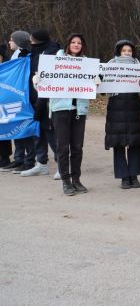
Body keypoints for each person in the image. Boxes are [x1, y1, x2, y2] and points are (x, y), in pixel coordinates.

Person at [50, 34, 93, 195]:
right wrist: (37, 79)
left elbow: (93, 83)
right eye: (73, 42)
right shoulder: (55, 61)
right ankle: (65, 181)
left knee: (77, 146)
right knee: (63, 147)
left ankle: (76, 179)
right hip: (60, 109)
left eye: (79, 43)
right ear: (68, 44)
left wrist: (96, 80)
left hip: (79, 110)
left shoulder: (87, 63)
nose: (76, 45)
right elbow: (45, 81)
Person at [104, 40, 140, 189]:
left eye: (129, 50)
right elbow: (103, 88)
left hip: (134, 107)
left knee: (134, 142)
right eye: (124, 51)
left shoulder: (138, 66)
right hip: (116, 108)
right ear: (118, 52)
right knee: (118, 143)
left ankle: (134, 176)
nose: (127, 53)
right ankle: (123, 176)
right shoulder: (110, 65)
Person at [21, 29, 61, 178]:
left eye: (32, 38)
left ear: (38, 39)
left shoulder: (52, 52)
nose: (30, 40)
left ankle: (62, 165)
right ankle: (41, 164)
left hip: (46, 99)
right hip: (32, 97)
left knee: (51, 132)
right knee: (37, 133)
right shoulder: (33, 52)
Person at [0, 31, 35, 173]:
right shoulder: (16, 55)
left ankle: (29, 159)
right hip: (14, 97)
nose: (9, 42)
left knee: (25, 128)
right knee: (17, 128)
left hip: (23, 97)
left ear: (19, 42)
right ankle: (19, 158)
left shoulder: (27, 56)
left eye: (12, 39)